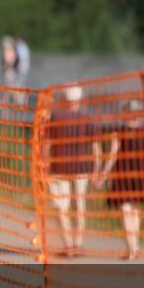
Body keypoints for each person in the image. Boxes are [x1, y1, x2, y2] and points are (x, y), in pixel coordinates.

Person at [44, 85, 100, 257]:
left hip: (60, 167)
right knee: (79, 204)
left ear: (63, 99)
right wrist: (96, 169)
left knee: (62, 206)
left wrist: (44, 164)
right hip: (82, 168)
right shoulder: (88, 119)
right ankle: (78, 243)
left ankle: (68, 244)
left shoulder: (55, 117)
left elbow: (47, 143)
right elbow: (96, 147)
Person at [98, 99, 144, 260]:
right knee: (127, 210)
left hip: (136, 174)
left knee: (133, 210)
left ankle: (133, 247)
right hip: (126, 174)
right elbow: (113, 155)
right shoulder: (119, 130)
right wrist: (105, 174)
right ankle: (133, 247)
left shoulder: (143, 131)